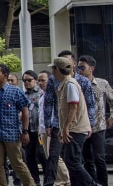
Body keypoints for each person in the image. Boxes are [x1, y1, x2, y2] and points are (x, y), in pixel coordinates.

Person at [43, 50, 95, 186]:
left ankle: (91, 184)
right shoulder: (64, 84)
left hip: (76, 129)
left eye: (53, 69)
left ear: (58, 70)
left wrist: (65, 128)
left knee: (73, 162)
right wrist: (62, 128)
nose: (52, 72)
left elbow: (73, 107)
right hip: (71, 128)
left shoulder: (70, 84)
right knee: (70, 161)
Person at [0, 64, 35, 186]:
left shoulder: (15, 91)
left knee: (17, 164)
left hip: (12, 133)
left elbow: (25, 111)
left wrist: (25, 131)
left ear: (4, 75)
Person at [77, 55, 113, 185]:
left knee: (100, 158)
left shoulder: (102, 83)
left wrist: (111, 116)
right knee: (87, 159)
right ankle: (92, 183)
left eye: (82, 67)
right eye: (78, 67)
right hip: (83, 127)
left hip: (99, 126)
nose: (79, 70)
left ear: (91, 68)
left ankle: (103, 183)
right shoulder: (76, 83)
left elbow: (112, 100)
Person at [37, 70, 70, 186]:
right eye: (39, 81)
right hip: (43, 129)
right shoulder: (41, 94)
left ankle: (65, 179)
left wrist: (50, 125)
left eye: (43, 80)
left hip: (52, 127)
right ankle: (59, 179)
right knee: (48, 156)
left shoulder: (55, 93)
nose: (40, 83)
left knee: (54, 156)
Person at [22, 70, 46, 186]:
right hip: (28, 130)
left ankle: (48, 179)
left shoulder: (41, 93)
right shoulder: (22, 94)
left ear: (35, 81)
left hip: (39, 131)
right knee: (29, 157)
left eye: (29, 80)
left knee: (42, 154)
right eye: (24, 81)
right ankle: (35, 182)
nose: (27, 83)